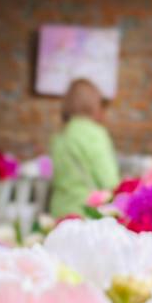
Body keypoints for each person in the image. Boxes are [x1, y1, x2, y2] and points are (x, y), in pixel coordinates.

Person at [48, 78, 119, 219]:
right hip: (86, 212)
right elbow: (109, 180)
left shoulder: (60, 135)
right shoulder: (95, 133)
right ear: (93, 104)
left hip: (58, 210)